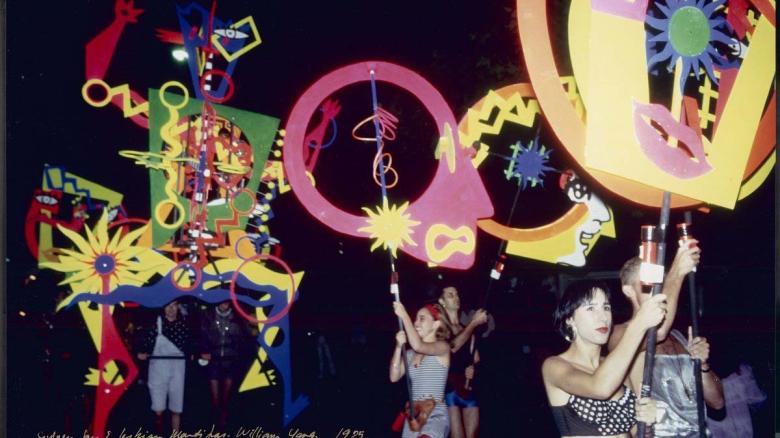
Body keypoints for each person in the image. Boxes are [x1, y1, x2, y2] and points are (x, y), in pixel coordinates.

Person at [612, 241, 725, 437]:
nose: (659, 291)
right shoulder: (619, 334)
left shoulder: (680, 336)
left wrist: (704, 366)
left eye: (661, 284)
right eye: (649, 285)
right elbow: (657, 332)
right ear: (628, 290)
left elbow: (717, 402)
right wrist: (677, 272)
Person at [542, 280, 663, 437]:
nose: (603, 317)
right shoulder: (554, 365)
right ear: (570, 320)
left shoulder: (614, 367)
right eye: (591, 308)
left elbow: (638, 434)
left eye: (606, 307)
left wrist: (647, 423)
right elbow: (600, 388)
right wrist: (638, 325)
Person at [390, 302, 451, 438]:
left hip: (435, 413)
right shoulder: (411, 354)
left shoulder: (442, 347)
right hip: (414, 413)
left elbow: (418, 345)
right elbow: (394, 376)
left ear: (436, 324)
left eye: (421, 319)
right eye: (415, 319)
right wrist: (399, 347)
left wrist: (404, 316)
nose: (416, 323)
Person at [436, 286, 488, 438]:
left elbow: (475, 358)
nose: (456, 297)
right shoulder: (440, 327)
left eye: (457, 294)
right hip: (449, 390)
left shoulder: (466, 329)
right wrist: (473, 324)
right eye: (450, 295)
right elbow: (451, 347)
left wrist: (473, 368)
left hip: (467, 390)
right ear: (442, 301)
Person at [137, 300, 190, 433]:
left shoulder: (184, 325)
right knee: (158, 409)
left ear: (178, 307)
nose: (171, 309)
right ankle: (158, 432)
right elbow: (144, 344)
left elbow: (192, 345)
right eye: (168, 306)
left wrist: (198, 353)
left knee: (176, 408)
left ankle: (176, 434)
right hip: (158, 368)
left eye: (174, 306)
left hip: (178, 368)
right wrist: (142, 353)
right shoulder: (155, 325)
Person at [199, 301, 254, 429]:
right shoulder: (208, 316)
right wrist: (203, 351)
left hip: (231, 361)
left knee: (226, 398)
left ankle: (223, 423)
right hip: (213, 361)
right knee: (214, 398)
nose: (224, 303)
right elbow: (201, 337)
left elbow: (246, 337)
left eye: (227, 300)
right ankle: (214, 423)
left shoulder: (238, 317)